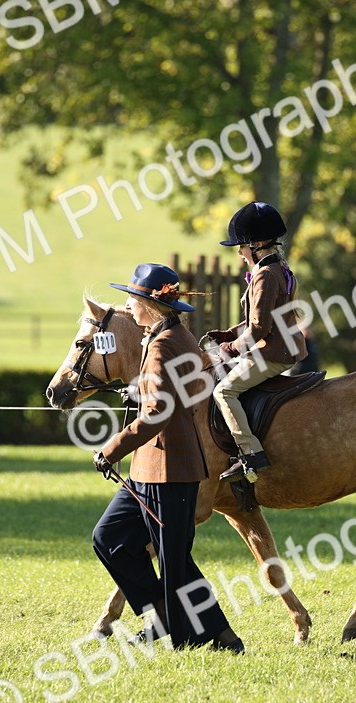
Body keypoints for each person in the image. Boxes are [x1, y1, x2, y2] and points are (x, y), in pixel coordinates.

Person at [91, 263, 244, 652]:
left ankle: (207, 638)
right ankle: (168, 615)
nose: (128, 307)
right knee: (110, 537)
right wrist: (139, 391)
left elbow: (159, 413)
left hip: (169, 468)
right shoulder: (171, 335)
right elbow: (171, 393)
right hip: (152, 467)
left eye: (133, 300)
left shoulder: (163, 343)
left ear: (150, 306)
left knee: (175, 561)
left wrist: (111, 450)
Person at [206, 202, 306, 483]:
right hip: (283, 345)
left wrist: (232, 348)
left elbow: (260, 328)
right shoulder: (279, 268)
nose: (239, 253)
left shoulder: (264, 274)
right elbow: (262, 320)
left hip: (272, 352)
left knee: (224, 391)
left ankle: (251, 454)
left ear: (258, 244)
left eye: (241, 247)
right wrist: (230, 333)